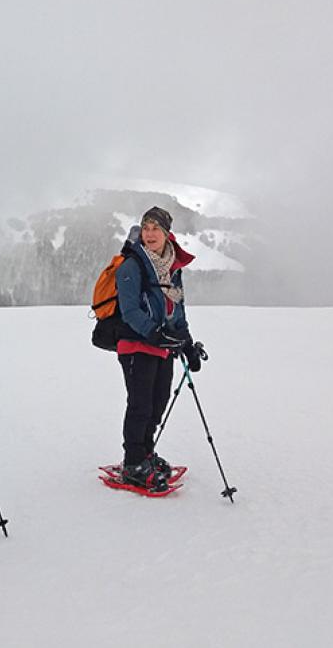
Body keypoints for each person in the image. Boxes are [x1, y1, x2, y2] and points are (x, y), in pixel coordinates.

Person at [113, 206, 202, 492]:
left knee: (158, 401)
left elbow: (178, 310)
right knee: (140, 404)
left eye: (156, 229)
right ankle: (133, 463)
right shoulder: (131, 266)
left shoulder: (171, 267)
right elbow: (129, 311)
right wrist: (154, 334)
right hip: (136, 344)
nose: (150, 234)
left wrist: (186, 343)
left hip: (162, 347)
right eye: (146, 228)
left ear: (167, 234)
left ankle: (146, 454)